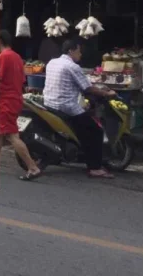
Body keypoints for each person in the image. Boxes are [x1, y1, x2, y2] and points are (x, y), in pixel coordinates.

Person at [44, 38, 117, 179]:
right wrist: (107, 93)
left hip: (50, 104)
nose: (80, 55)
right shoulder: (72, 67)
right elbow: (88, 88)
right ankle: (94, 168)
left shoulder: (52, 62)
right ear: (71, 51)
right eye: (79, 51)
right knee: (96, 131)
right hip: (66, 107)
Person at [0, 30, 43, 181]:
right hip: (14, 99)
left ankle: (32, 167)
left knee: (11, 136)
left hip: (5, 101)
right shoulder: (17, 57)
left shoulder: (3, 57)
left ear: (0, 40)